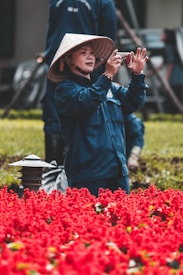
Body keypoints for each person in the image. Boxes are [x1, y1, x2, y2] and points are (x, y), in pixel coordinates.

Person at [48, 33, 149, 197]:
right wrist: (107, 75)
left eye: (92, 53)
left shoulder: (109, 87)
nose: (90, 57)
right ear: (68, 60)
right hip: (87, 174)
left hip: (117, 171)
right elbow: (86, 102)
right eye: (83, 53)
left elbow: (133, 103)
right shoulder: (65, 89)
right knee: (89, 220)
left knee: (121, 220)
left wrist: (137, 75)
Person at [42, 0, 117, 165]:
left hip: (58, 61)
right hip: (86, 69)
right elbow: (108, 34)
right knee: (86, 116)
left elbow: (52, 29)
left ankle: (53, 169)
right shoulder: (103, 2)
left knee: (54, 115)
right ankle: (74, 170)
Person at [149, 28, 183, 113]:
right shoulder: (172, 47)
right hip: (178, 78)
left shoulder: (169, 47)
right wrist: (152, 72)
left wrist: (166, 80)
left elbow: (170, 64)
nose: (160, 36)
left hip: (175, 79)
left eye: (162, 34)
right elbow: (163, 64)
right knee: (176, 98)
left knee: (173, 98)